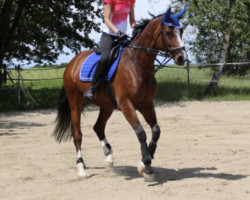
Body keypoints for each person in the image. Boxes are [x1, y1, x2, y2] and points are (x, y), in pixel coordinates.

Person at [84, 0, 136, 100]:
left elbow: (132, 19)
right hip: (109, 35)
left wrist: (135, 28)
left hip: (122, 37)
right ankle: (92, 88)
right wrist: (118, 32)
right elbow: (106, 20)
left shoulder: (131, 1)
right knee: (105, 58)